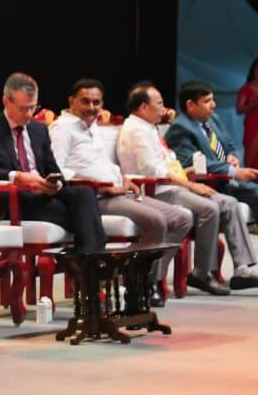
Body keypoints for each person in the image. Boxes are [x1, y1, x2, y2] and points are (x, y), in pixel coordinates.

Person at [48, 79, 190, 305]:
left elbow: (103, 163)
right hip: (95, 197)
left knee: (182, 218)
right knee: (157, 221)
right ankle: (138, 284)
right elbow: (57, 169)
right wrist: (100, 185)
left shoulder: (91, 126)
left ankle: (146, 279)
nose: (92, 107)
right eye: (85, 101)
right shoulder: (63, 128)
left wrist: (123, 178)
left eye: (96, 102)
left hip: (119, 191)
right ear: (71, 101)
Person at [116, 81, 258, 294]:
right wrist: (191, 184)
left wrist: (190, 173)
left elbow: (170, 163)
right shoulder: (137, 131)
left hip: (172, 185)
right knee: (209, 208)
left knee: (227, 202)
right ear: (144, 107)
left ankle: (234, 270)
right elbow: (154, 172)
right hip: (156, 191)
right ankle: (199, 273)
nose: (164, 109)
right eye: (159, 104)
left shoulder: (148, 127)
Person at [0, 72, 107, 252]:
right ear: (6, 101)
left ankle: (87, 261)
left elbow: (54, 170)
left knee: (84, 194)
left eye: (33, 107)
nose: (29, 114)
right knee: (84, 216)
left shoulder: (38, 130)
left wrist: (54, 185)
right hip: (11, 200)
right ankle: (91, 263)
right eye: (23, 109)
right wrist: (17, 177)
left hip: (41, 195)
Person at [166, 80, 258, 223]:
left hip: (230, 178)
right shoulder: (180, 128)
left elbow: (230, 144)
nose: (213, 105)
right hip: (213, 183)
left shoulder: (212, 118)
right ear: (190, 105)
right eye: (207, 101)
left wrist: (232, 156)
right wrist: (232, 171)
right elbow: (192, 162)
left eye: (212, 99)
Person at [238, 59, 258, 170]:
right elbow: (239, 109)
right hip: (253, 126)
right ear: (253, 71)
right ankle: (250, 174)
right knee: (252, 150)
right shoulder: (246, 88)